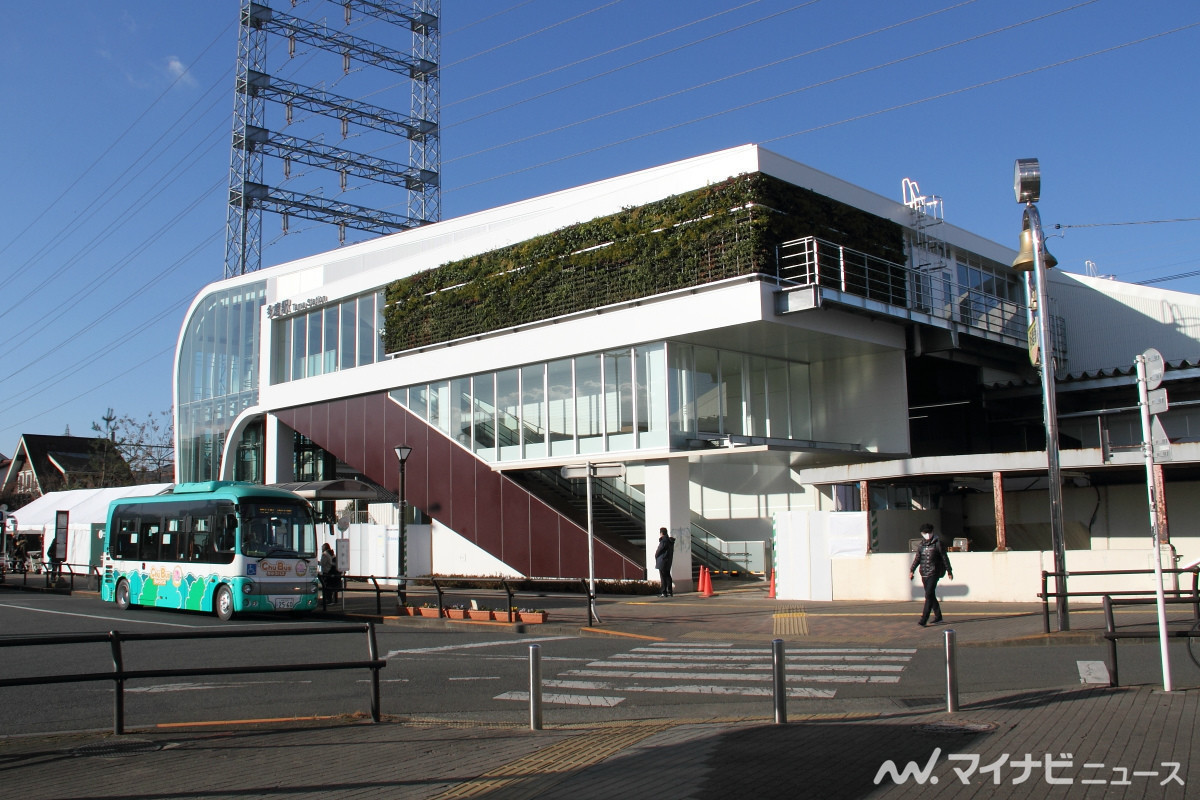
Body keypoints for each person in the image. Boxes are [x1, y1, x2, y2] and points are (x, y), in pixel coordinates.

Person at [909, 523, 953, 626]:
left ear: (932, 532)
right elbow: (917, 559)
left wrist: (949, 571)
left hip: (934, 572)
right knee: (931, 595)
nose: (927, 534)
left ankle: (924, 619)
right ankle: (938, 617)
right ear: (922, 534)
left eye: (929, 532)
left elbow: (944, 557)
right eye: (925, 533)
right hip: (924, 573)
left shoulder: (938, 544)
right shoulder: (921, 545)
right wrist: (912, 570)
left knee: (928, 594)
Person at [654, 527, 675, 597]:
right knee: (668, 576)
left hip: (662, 561)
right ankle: (670, 591)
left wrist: (656, 555)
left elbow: (659, 550)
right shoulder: (670, 541)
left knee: (663, 577)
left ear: (661, 533)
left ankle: (664, 592)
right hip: (668, 561)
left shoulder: (663, 541)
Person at [319, 542, 339, 608]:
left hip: (326, 572)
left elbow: (323, 563)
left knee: (326, 586)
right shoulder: (332, 553)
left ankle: (328, 600)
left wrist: (317, 562)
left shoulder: (325, 554)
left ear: (324, 548)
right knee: (331, 586)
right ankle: (333, 600)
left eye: (322, 547)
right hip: (332, 572)